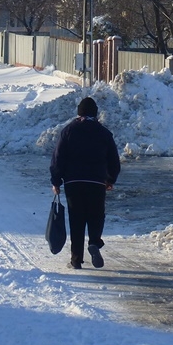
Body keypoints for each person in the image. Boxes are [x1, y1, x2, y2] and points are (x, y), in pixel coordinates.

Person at [49, 96, 120, 269]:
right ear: (95, 114)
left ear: (79, 112)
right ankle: (94, 242)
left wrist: (56, 181)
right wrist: (110, 179)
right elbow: (114, 160)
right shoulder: (104, 133)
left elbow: (58, 158)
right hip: (96, 182)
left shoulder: (68, 131)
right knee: (96, 215)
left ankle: (76, 259)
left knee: (77, 220)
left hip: (74, 183)